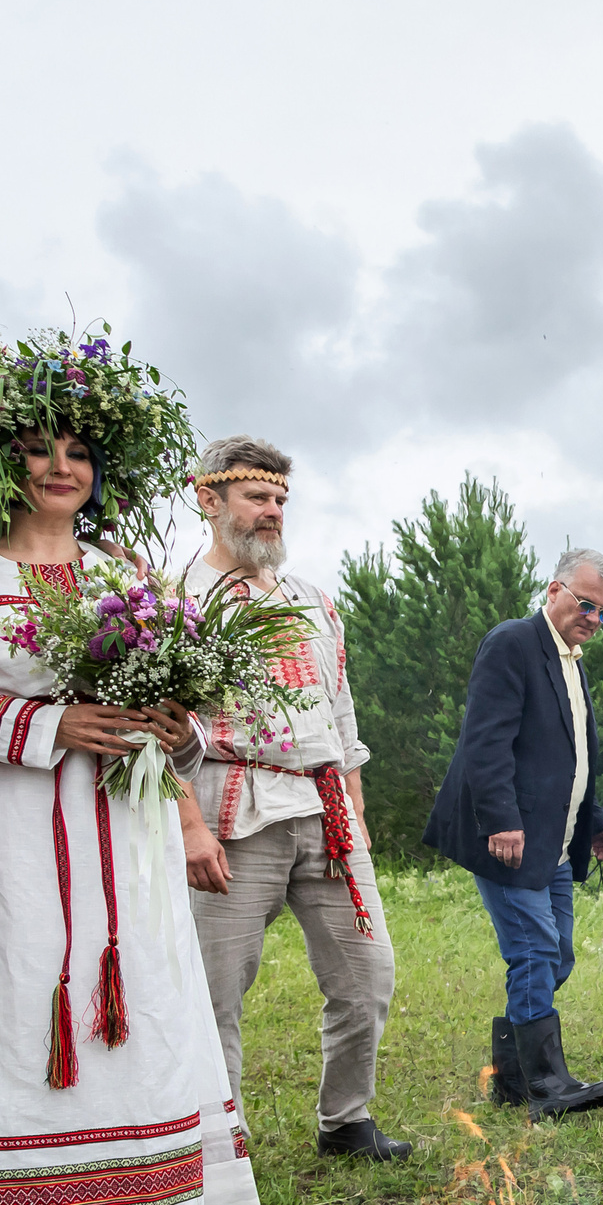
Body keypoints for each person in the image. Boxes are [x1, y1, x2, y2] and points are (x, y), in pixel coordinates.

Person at [0, 330, 259, 1205]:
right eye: (38, 447)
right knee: (19, 993)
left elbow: (178, 716)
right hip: (15, 827)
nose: (61, 466)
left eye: (80, 451)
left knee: (142, 990)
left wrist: (170, 722)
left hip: (129, 826)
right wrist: (52, 725)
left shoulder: (122, 572)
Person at [174, 436, 404, 1161]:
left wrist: (355, 816)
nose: (271, 511)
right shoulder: (176, 598)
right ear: (209, 499)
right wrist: (188, 827)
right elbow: (158, 724)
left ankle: (347, 1120)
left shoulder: (311, 598)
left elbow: (341, 715)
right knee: (217, 988)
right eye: (256, 497)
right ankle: (216, 1145)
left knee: (368, 972)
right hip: (228, 804)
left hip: (325, 807)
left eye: (279, 499)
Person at [423, 548, 603, 1117]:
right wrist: (501, 820)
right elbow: (484, 742)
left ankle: (513, 1076)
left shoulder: (571, 659)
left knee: (556, 955)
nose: (593, 618)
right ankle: (546, 1085)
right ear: (555, 590)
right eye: (587, 604)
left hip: (555, 843)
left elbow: (570, 755)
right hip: (511, 836)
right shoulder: (513, 642)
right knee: (535, 950)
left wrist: (597, 822)